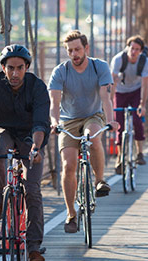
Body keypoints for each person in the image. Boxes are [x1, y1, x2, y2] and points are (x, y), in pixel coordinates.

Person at [0, 44, 49, 261]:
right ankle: (0, 198)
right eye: (10, 68)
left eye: (20, 68)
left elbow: (40, 124)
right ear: (3, 68)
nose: (15, 73)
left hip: (30, 136)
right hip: (5, 131)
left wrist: (36, 148)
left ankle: (34, 248)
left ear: (27, 67)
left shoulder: (37, 87)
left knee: (33, 190)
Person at [48, 30, 120, 233]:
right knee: (68, 165)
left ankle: (99, 181)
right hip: (68, 119)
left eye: (78, 49)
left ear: (86, 48)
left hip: (93, 115)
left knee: (92, 137)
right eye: (70, 51)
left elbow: (106, 97)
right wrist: (54, 122)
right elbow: (54, 101)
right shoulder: (60, 71)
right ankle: (71, 214)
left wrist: (112, 120)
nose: (74, 54)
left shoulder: (100, 67)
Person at [110, 35, 148, 173]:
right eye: (131, 48)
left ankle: (140, 152)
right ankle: (119, 158)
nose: (133, 51)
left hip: (136, 91)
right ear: (127, 47)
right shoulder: (118, 60)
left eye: (137, 49)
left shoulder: (145, 62)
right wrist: (110, 103)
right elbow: (112, 82)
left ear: (141, 51)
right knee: (119, 125)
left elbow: (145, 85)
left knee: (137, 119)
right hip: (120, 92)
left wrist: (142, 104)